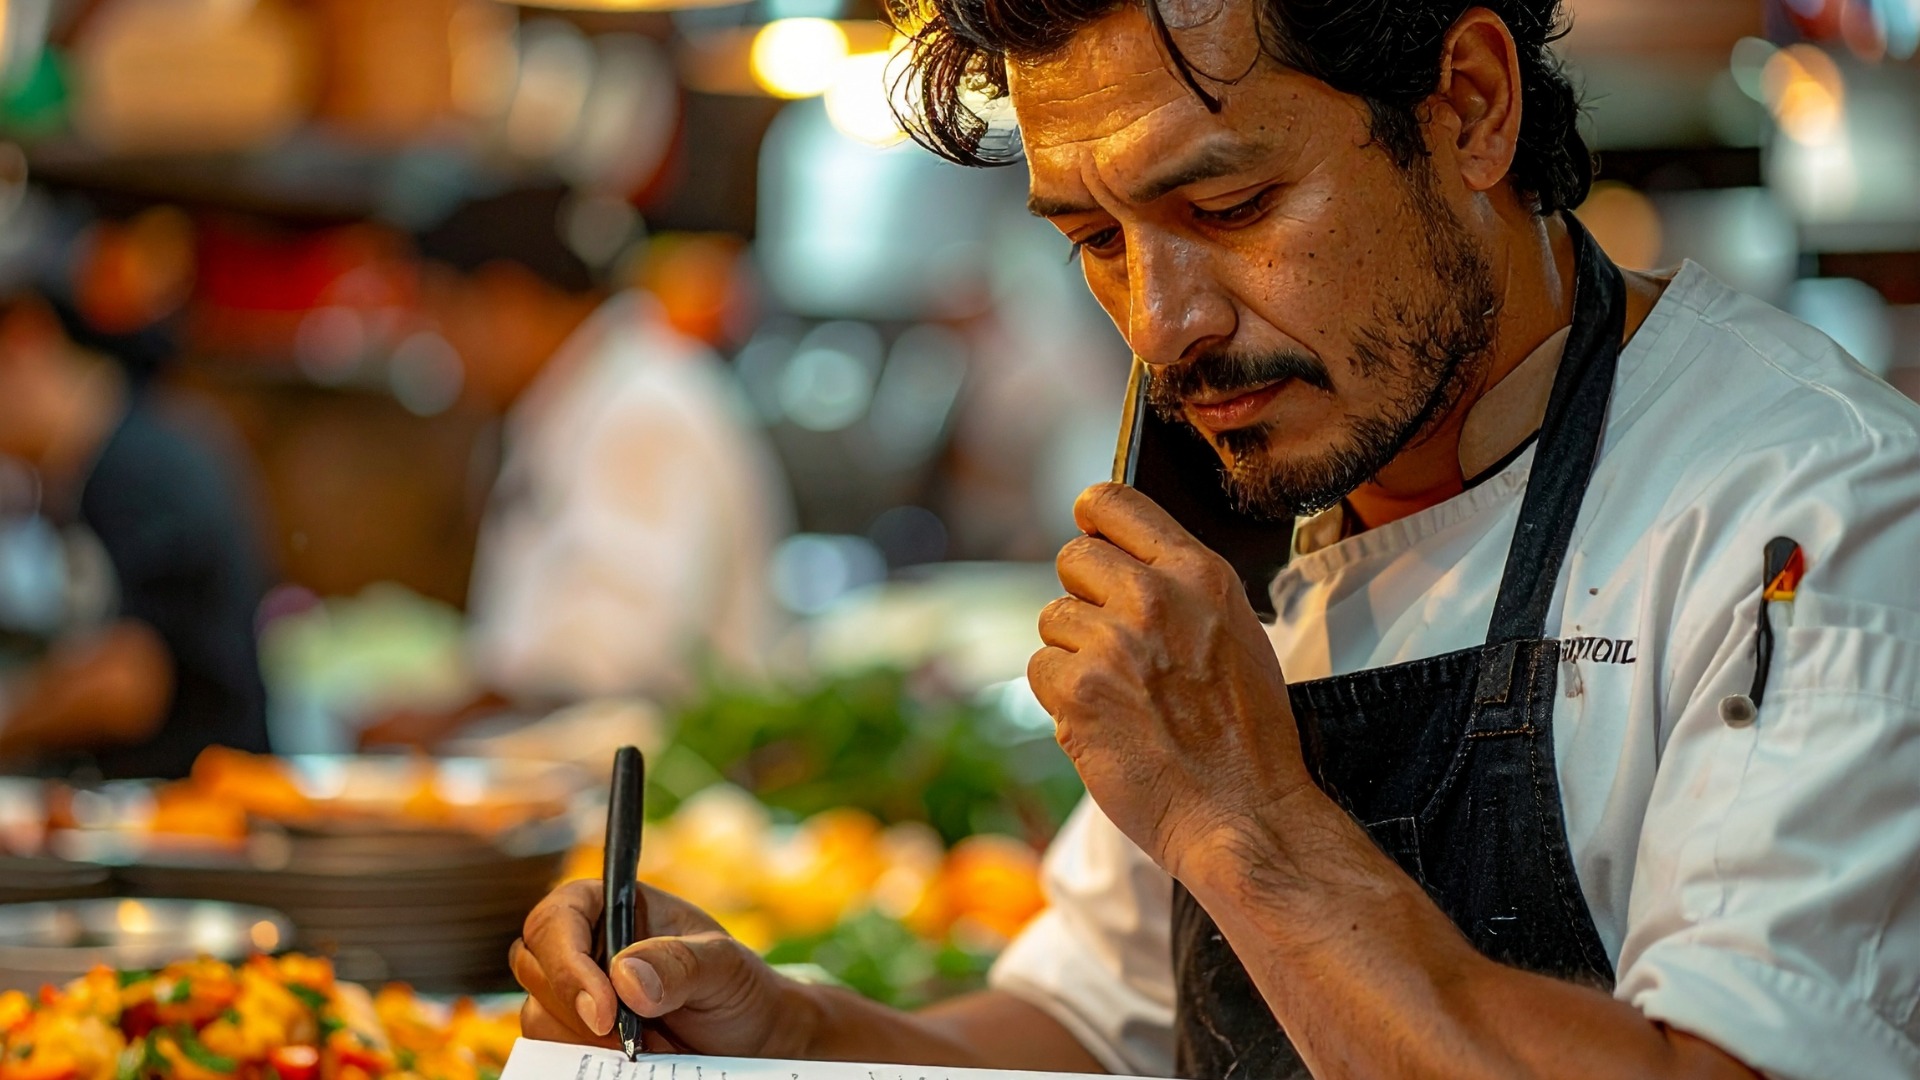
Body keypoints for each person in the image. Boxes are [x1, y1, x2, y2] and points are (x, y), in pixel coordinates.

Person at [510, 2, 1920, 1077]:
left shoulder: (1815, 514)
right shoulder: (1290, 488)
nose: (1163, 323)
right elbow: (1091, 1022)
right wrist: (788, 1030)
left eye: (1229, 207)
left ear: (1471, 109)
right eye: (1096, 238)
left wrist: (1246, 824)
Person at [360, 191, 788, 747]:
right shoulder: (585, 393)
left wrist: (445, 713)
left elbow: (610, 649)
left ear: (506, 300)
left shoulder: (642, 408)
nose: (436, 346)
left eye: (439, 313)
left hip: (653, 792)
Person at [0, 292, 271, 779]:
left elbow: (127, 686)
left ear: (22, 342)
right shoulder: (96, 463)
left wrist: (10, 725)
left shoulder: (141, 470)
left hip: (192, 816)